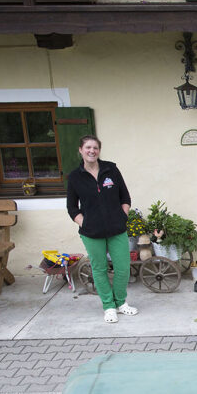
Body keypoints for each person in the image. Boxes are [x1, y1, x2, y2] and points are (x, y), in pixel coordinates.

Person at [66, 135, 138, 323]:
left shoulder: (111, 169)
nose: (92, 151)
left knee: (123, 268)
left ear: (99, 150)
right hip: (92, 233)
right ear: (81, 150)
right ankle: (108, 306)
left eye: (95, 148)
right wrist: (85, 222)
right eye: (88, 147)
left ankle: (121, 303)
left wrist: (123, 215)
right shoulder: (75, 177)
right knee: (99, 269)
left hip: (117, 229)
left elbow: (125, 196)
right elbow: (72, 207)